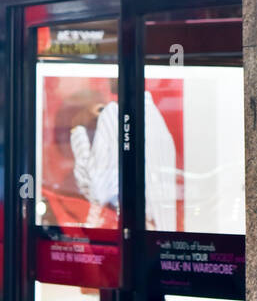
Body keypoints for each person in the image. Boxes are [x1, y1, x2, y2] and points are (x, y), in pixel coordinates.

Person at [70, 80, 177, 230]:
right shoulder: (158, 122)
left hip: (126, 231)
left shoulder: (113, 113)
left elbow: (97, 189)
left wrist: (77, 129)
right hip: (157, 234)